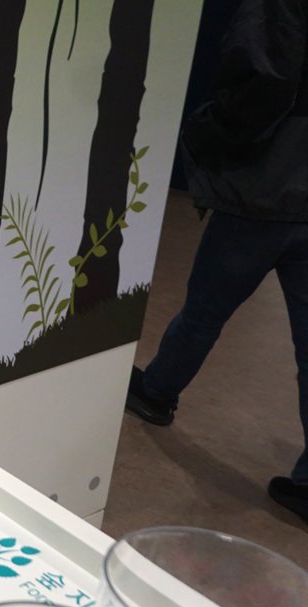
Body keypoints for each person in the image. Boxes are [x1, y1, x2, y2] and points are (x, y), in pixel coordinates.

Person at [125, 0, 308, 520]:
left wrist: (202, 131)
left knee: (204, 311)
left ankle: (156, 392)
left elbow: (265, 85)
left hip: (266, 190)